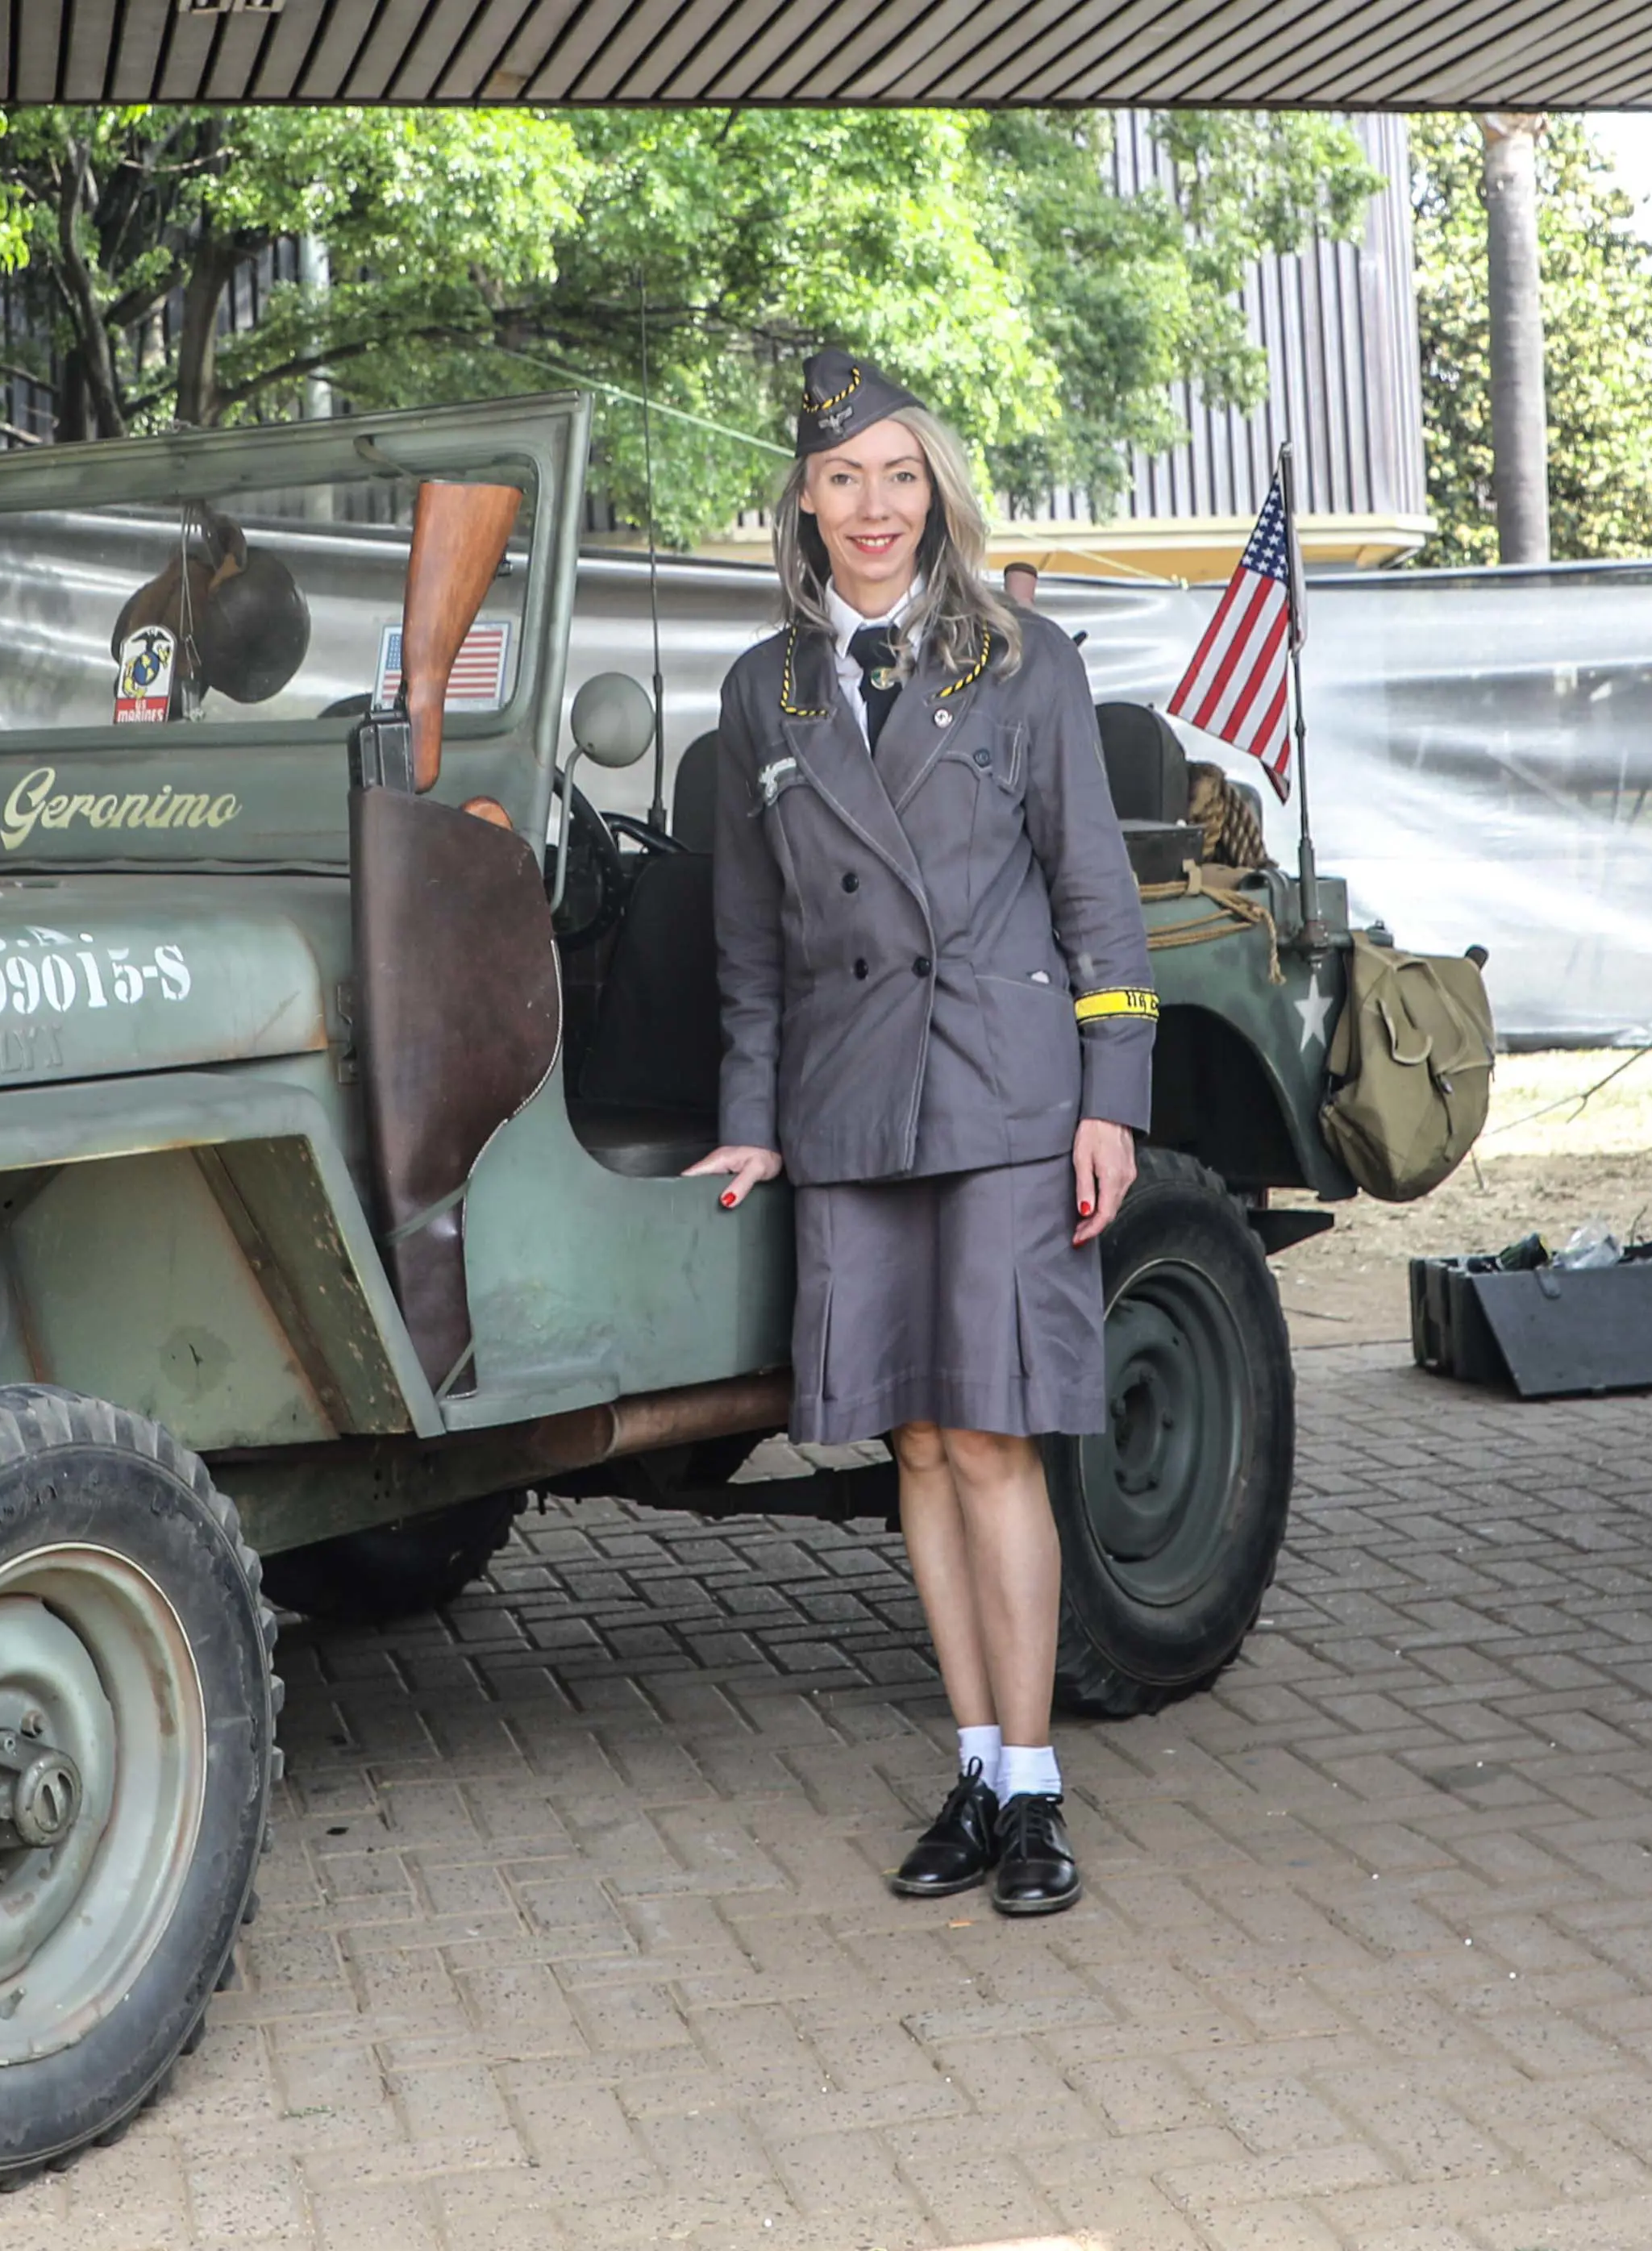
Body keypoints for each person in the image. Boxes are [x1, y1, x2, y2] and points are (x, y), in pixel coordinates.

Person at [684, 347, 1155, 1917]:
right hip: (849, 1096)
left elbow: (1098, 896)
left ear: (934, 492)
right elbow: (752, 944)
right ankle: (969, 1760)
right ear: (804, 503)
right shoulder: (770, 689)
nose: (872, 507)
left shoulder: (1025, 660)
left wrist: (1115, 1106)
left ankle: (1035, 1788)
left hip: (1009, 1091)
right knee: (917, 1439)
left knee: (994, 1433)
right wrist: (750, 1123)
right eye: (841, 478)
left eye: (898, 475)